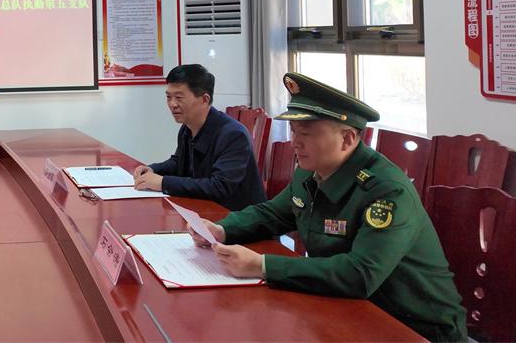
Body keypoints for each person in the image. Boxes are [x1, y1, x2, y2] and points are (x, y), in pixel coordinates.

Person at [186, 72, 467, 342]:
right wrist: (223, 229)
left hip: (414, 327)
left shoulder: (386, 191)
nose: (294, 142)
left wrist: (263, 266)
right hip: (349, 309)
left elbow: (360, 274)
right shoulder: (310, 171)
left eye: (306, 133)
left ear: (347, 139)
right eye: (293, 131)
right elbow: (272, 213)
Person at [132, 64, 267, 211]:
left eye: (179, 98)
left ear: (204, 99)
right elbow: (179, 162)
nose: (172, 104)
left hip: (236, 217)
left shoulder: (233, 135)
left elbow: (220, 187)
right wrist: (152, 169)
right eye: (168, 97)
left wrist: (163, 183)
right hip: (203, 210)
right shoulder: (187, 128)